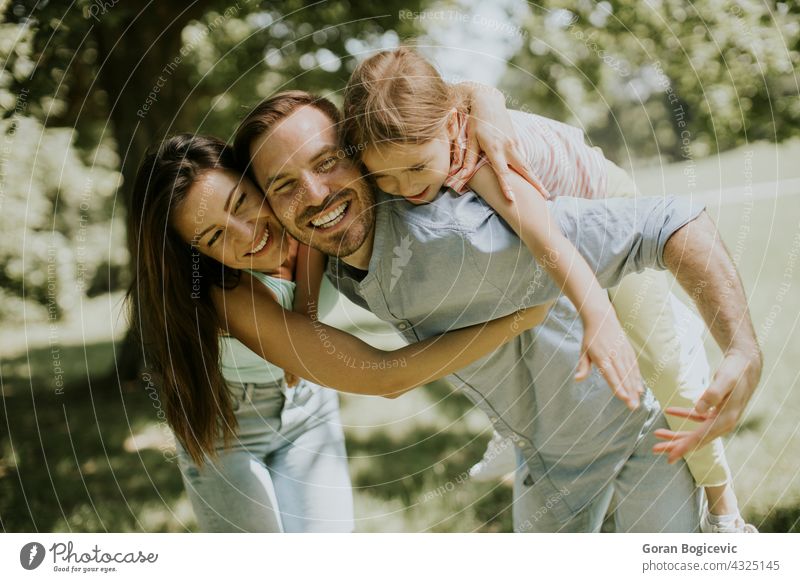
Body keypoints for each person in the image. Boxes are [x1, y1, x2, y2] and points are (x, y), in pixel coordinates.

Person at [233, 90, 762, 532]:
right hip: (550, 458)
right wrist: (299, 320)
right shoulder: (336, 245)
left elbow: (668, 220)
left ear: (359, 158)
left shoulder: (461, 231)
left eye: (326, 163)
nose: (315, 192)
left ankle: (726, 516)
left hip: (644, 436)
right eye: (284, 185)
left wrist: (742, 346)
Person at [126, 133, 551, 532]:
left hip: (308, 406)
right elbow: (384, 377)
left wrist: (484, 103)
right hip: (226, 428)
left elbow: (412, 111)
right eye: (214, 235)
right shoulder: (225, 294)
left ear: (258, 181)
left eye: (240, 203)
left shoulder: (308, 210)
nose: (247, 233)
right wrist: (518, 319)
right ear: (195, 253)